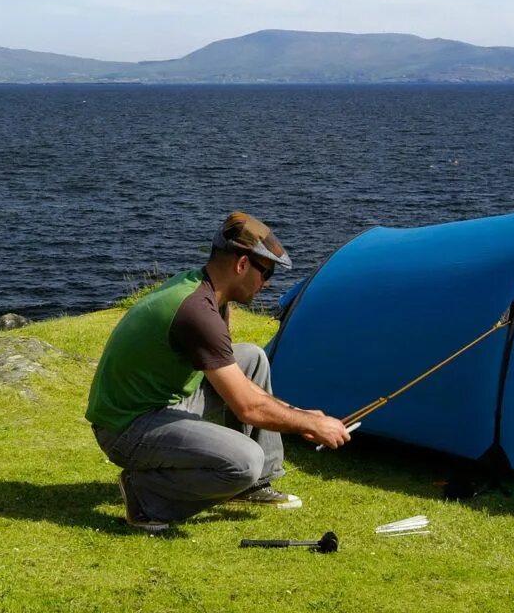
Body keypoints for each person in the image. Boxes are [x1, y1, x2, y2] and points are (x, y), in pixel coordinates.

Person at [86, 212, 351, 532]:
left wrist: (299, 413)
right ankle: (146, 498)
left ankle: (254, 486)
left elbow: (234, 381)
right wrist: (309, 423)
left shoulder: (207, 291)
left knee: (252, 357)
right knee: (244, 462)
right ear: (242, 265)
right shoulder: (197, 312)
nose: (266, 284)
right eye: (266, 273)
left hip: (161, 403)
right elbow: (247, 406)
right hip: (126, 428)